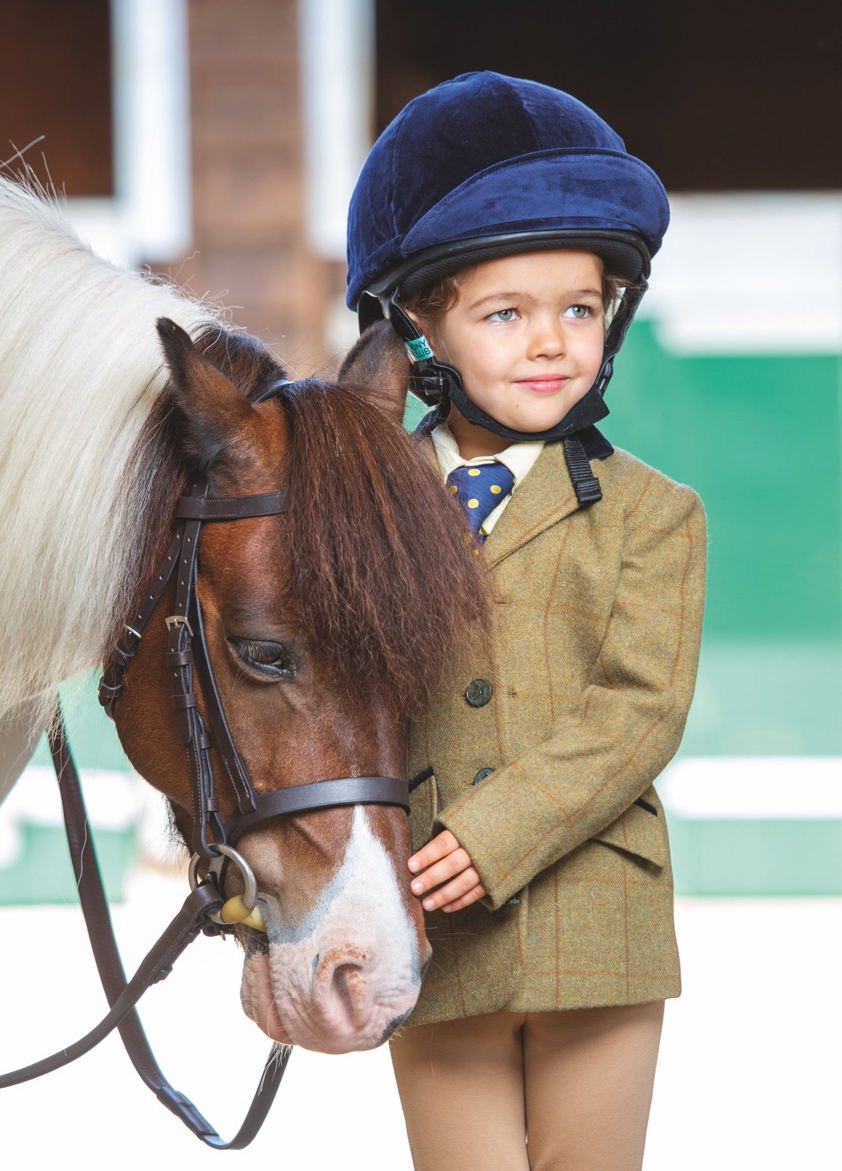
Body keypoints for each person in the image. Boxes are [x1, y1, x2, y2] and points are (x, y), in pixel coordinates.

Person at [345, 71, 706, 1171]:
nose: (552, 342)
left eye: (579, 308)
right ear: (418, 325)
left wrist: (491, 835)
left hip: (597, 920)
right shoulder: (366, 511)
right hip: (431, 929)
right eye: (505, 313)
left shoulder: (656, 514)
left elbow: (635, 713)